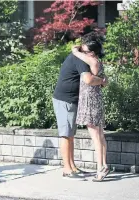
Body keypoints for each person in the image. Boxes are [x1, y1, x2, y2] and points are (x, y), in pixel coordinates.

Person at [52, 33, 108, 180]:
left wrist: (76, 50)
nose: (85, 53)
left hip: (74, 99)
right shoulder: (81, 59)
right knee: (66, 134)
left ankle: (73, 167)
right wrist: (102, 80)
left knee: (70, 134)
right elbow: (88, 79)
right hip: (65, 99)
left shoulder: (83, 57)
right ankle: (67, 169)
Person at [72, 36, 109, 181]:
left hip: (90, 101)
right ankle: (104, 165)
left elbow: (75, 52)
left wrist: (76, 50)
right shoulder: (98, 62)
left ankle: (100, 168)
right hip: (96, 99)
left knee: (96, 137)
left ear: (93, 52)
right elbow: (105, 82)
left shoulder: (92, 61)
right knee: (100, 135)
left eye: (86, 50)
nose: (84, 52)